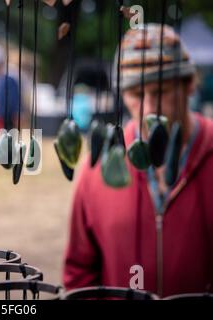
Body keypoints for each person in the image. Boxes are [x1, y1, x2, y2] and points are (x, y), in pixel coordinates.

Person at [63, 24, 213, 297]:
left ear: (189, 84)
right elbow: (80, 270)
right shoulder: (98, 166)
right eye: (137, 94)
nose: (148, 107)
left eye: (160, 92)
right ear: (122, 96)